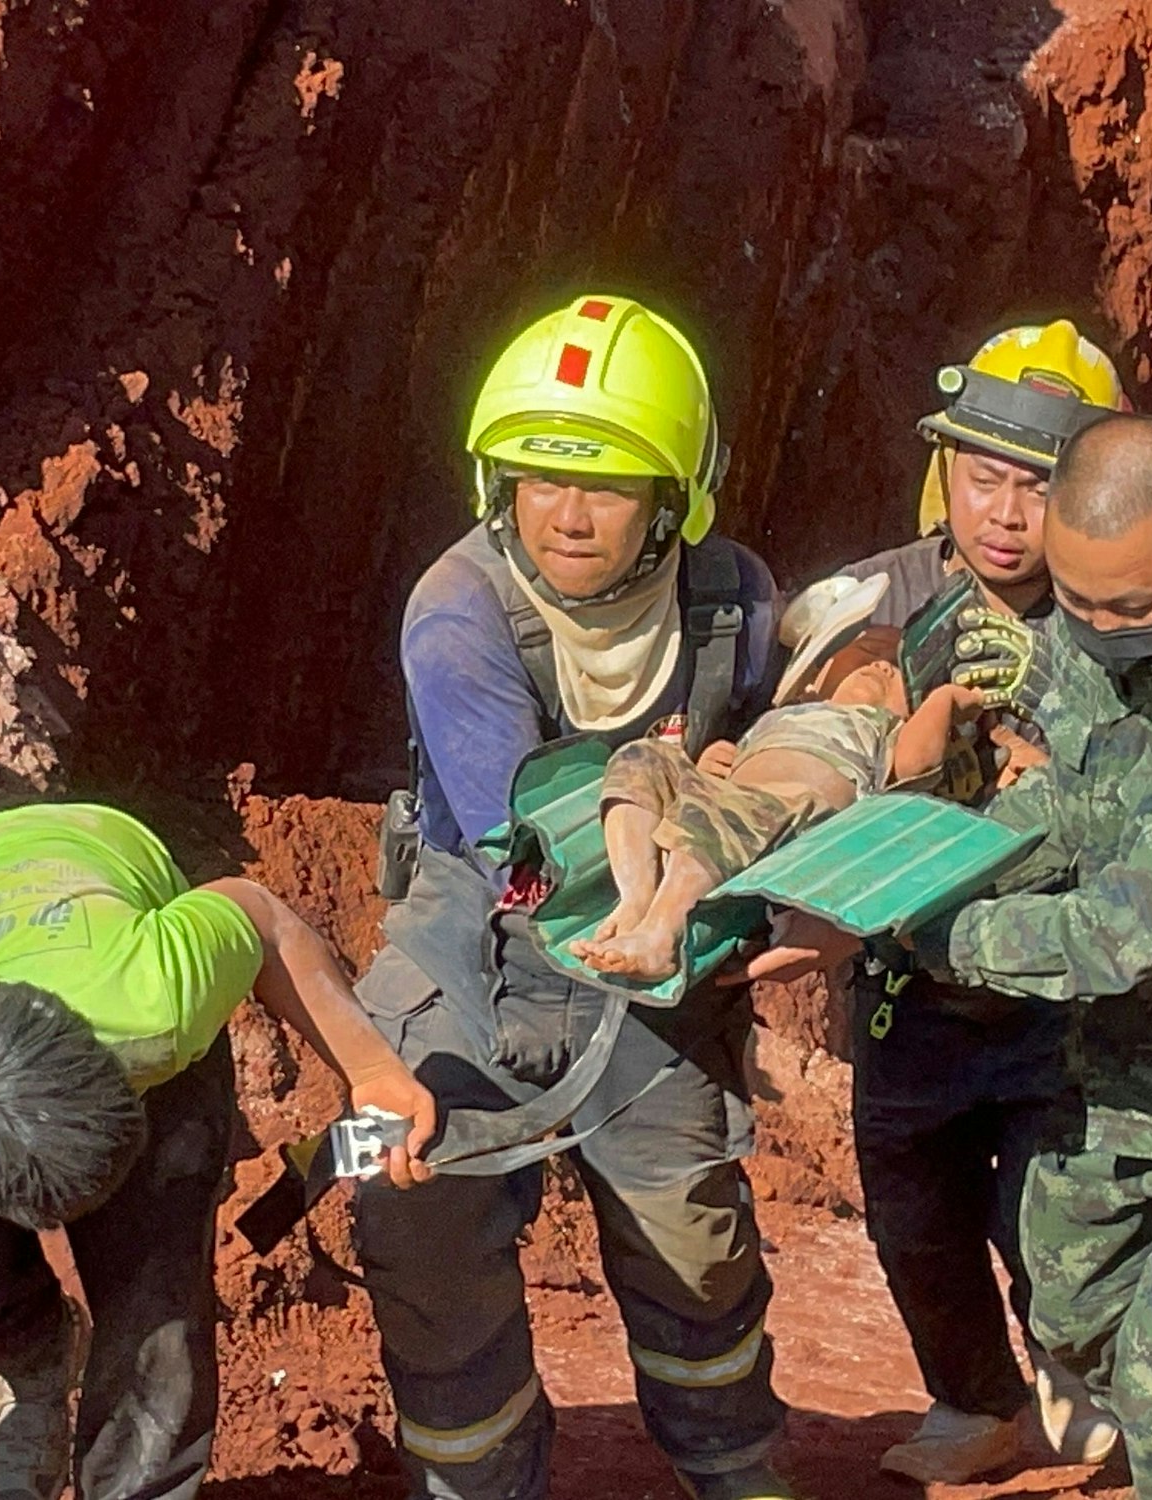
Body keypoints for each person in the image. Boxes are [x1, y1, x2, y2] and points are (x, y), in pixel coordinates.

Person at [750, 413, 1152, 1500]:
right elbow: (1065, 800)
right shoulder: (1094, 631)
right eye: (1077, 600)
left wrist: (905, 924)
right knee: (1066, 1300)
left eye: (1132, 608)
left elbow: (1114, 933)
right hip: (1126, 1059)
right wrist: (909, 862)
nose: (1098, 631)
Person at [355, 295, 794, 1500]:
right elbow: (529, 848)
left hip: (659, 969)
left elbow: (784, 750)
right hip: (472, 960)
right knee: (417, 1222)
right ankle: (477, 1484)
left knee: (693, 1249)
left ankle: (733, 1464)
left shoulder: (733, 598)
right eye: (535, 477)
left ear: (674, 494)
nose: (562, 513)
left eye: (602, 482)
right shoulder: (459, 608)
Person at [0, 802, 436, 1500]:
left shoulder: (152, 1000)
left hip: (85, 854)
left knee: (154, 1307)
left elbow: (259, 919)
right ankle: (39, 1360)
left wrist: (372, 1071)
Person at [831, 321, 1129, 1483]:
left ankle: (1086, 1376)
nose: (1005, 513)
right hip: (914, 990)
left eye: (1040, 487)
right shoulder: (879, 597)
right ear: (941, 471)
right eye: (983, 477)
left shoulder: (1131, 613)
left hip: (1063, 994)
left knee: (1055, 1225)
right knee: (913, 1213)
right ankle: (972, 1401)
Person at [575, 642, 983, 982]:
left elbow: (918, 764)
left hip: (788, 814)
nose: (880, 665)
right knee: (641, 757)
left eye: (896, 675)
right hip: (729, 794)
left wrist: (944, 700)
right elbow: (723, 764)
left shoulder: (883, 729)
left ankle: (661, 934)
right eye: (872, 658)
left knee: (721, 816)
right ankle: (635, 898)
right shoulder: (783, 715)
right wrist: (712, 761)